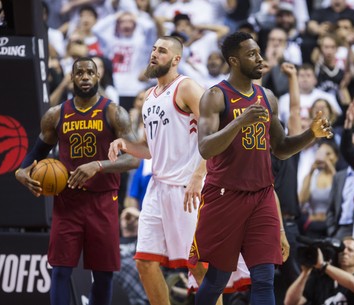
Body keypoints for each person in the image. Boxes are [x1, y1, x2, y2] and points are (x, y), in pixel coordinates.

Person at [188, 32, 334, 305]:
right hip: (224, 195)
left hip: (262, 195)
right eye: (251, 54)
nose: (260, 58)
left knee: (265, 277)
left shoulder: (267, 97)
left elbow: (280, 148)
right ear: (234, 60)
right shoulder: (215, 96)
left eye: (259, 52)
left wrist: (311, 134)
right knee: (218, 277)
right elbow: (205, 148)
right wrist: (238, 122)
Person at [108, 36, 249, 305]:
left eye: (162, 51)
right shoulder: (149, 96)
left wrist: (199, 175)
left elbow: (218, 132)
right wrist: (125, 144)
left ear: (176, 59)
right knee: (145, 263)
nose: (154, 54)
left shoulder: (186, 88)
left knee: (199, 266)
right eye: (153, 49)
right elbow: (150, 149)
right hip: (157, 188)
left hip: (188, 189)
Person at [15, 57, 140, 305]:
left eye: (90, 72)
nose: (84, 76)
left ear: (97, 77)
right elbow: (36, 153)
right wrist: (21, 170)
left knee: (103, 275)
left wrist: (99, 165)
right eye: (79, 72)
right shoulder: (56, 115)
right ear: (72, 78)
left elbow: (134, 159)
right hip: (67, 201)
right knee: (60, 270)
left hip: (104, 200)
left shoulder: (114, 112)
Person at [284, 236, 354, 305]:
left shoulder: (324, 268)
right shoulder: (322, 276)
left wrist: (323, 265)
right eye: (342, 249)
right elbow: (290, 303)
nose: (344, 252)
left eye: (350, 250)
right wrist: (305, 273)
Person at [113, 207, 150, 305]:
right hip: (116, 283)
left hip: (138, 280)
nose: (131, 219)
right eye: (127, 216)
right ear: (120, 221)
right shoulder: (113, 243)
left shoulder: (145, 242)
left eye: (135, 217)